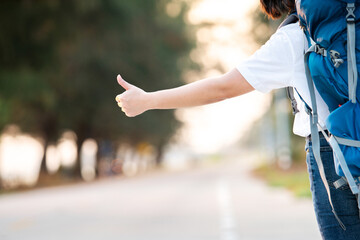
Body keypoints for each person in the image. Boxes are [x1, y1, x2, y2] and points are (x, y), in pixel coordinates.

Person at [115, 0, 360, 239]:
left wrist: (148, 100)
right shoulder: (353, 21)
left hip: (331, 150)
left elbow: (220, 88)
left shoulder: (294, 38)